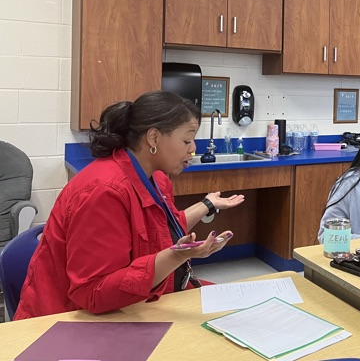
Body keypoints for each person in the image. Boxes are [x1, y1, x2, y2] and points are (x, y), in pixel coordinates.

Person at [14, 91, 245, 320]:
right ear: (153, 138)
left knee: (238, 311)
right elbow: (92, 294)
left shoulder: (156, 178)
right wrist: (175, 257)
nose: (193, 148)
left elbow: (161, 231)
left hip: (136, 303)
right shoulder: (104, 192)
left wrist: (207, 204)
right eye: (186, 140)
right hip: (67, 320)